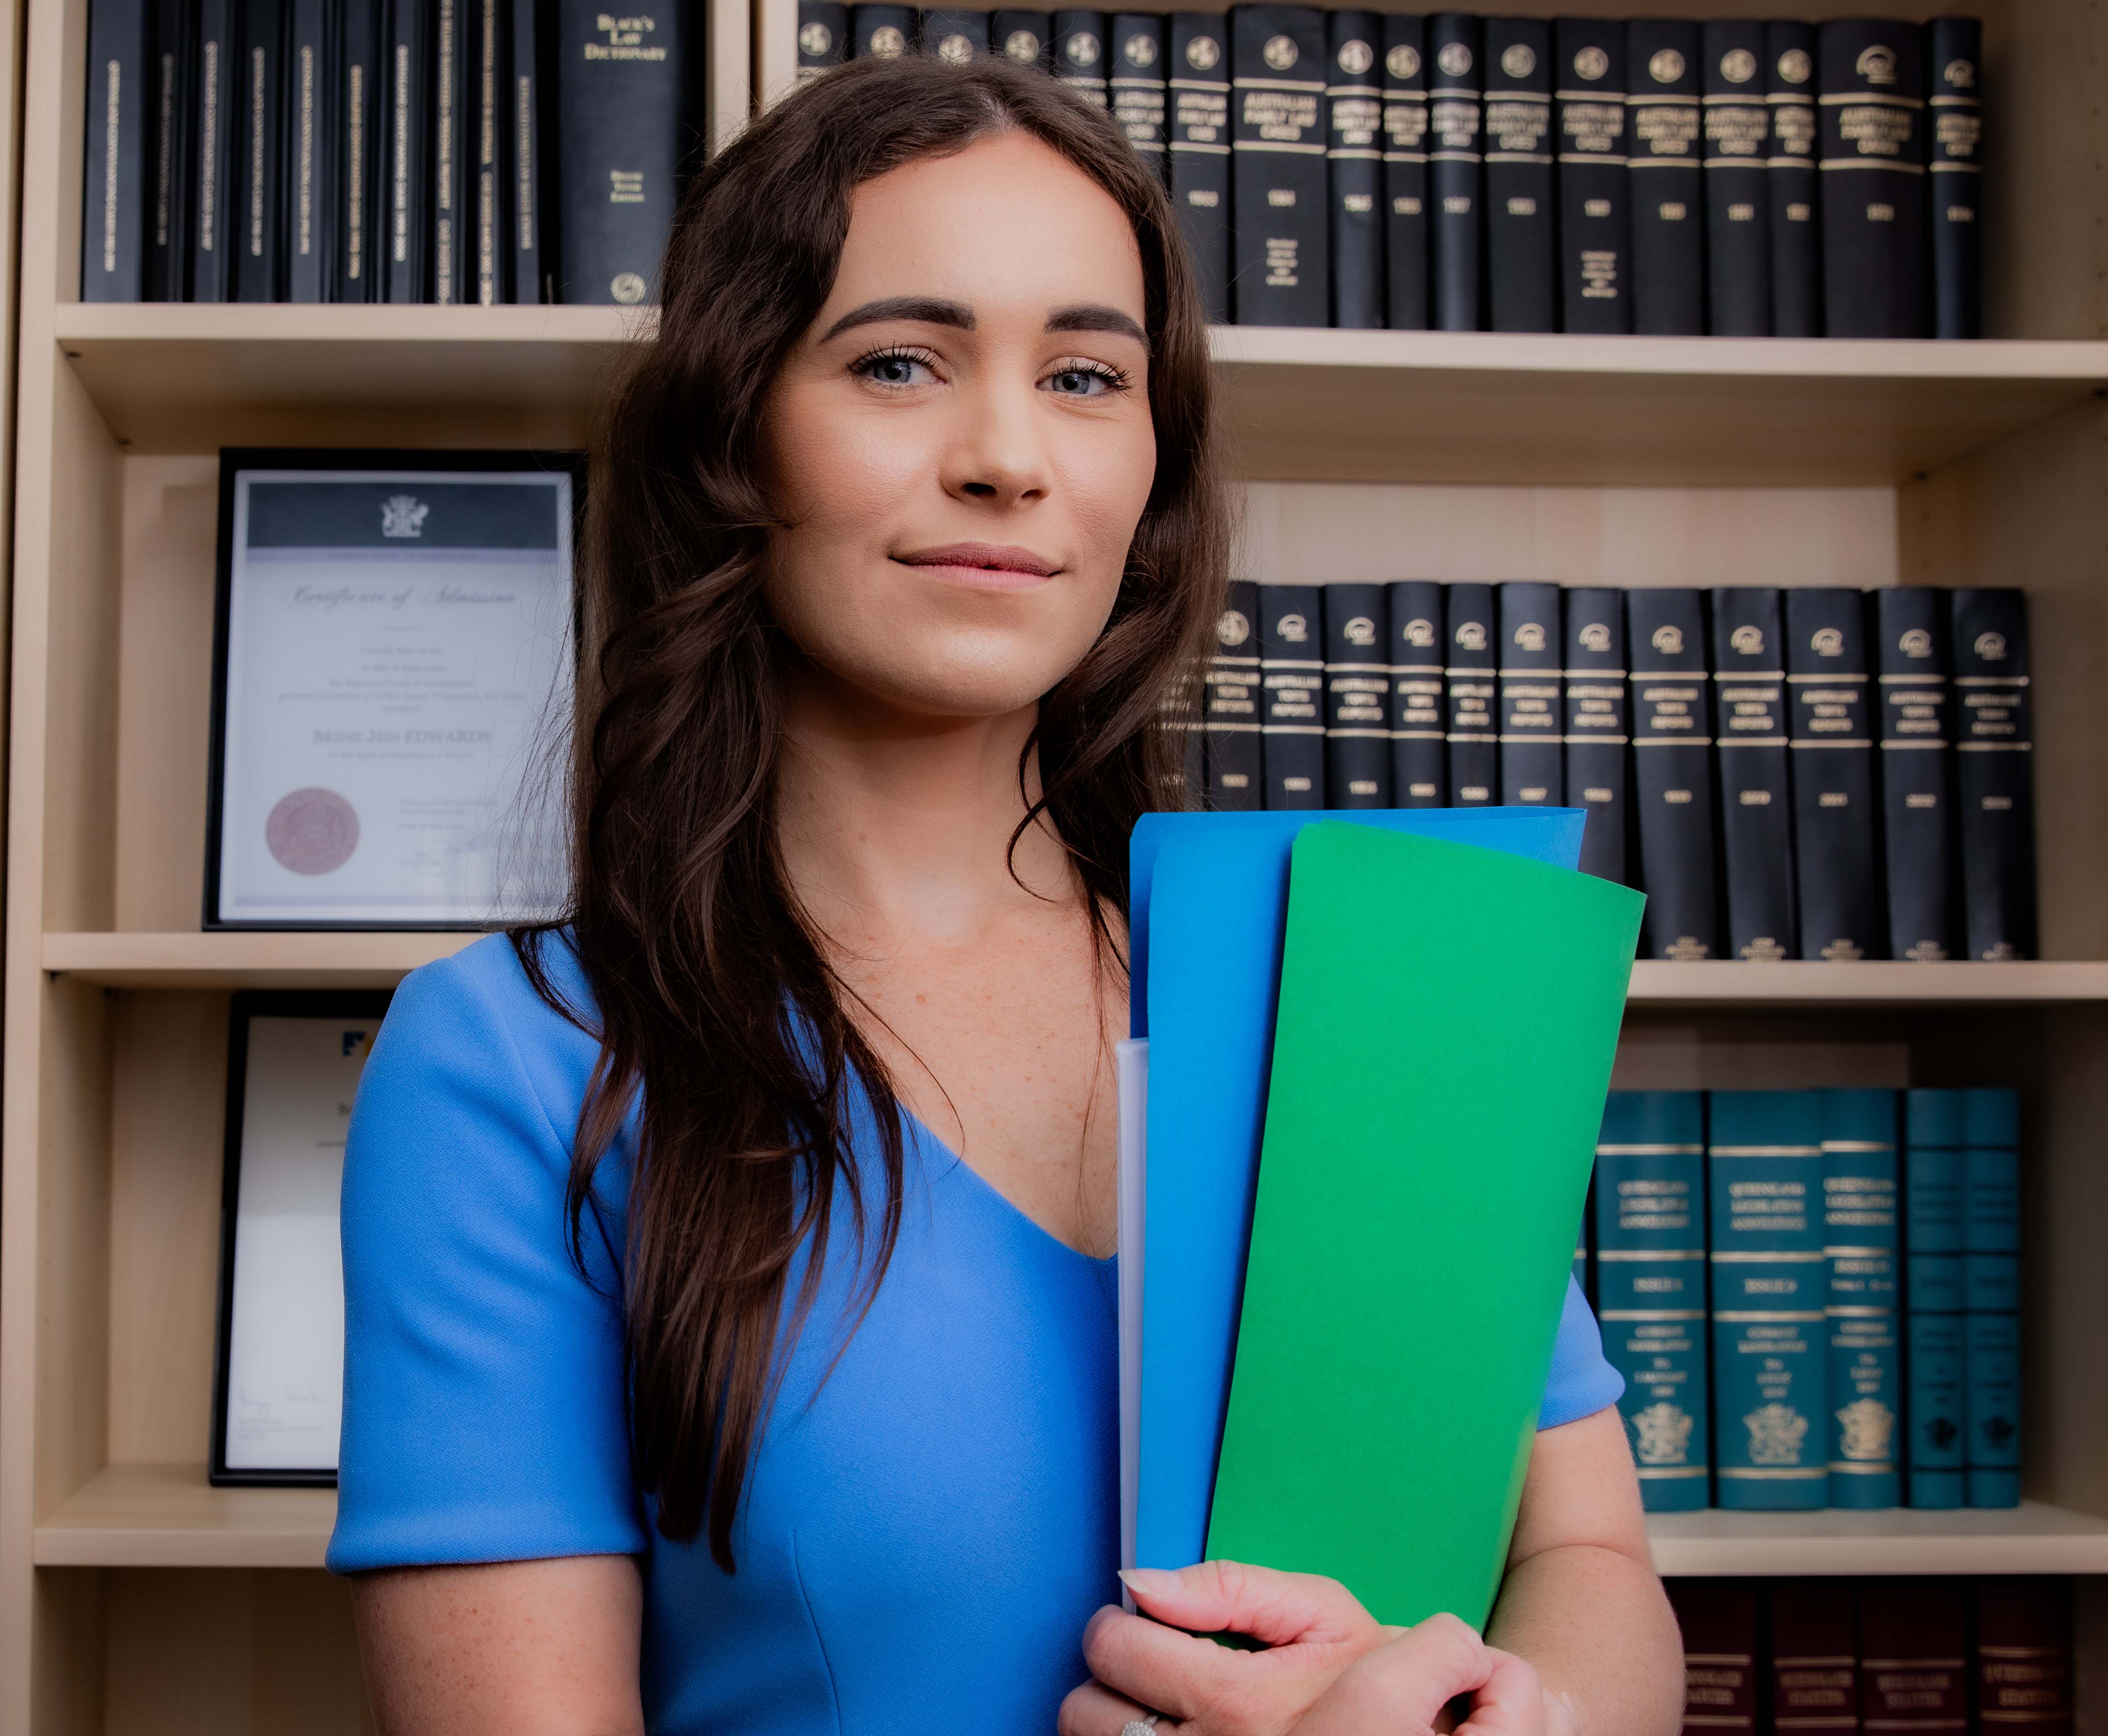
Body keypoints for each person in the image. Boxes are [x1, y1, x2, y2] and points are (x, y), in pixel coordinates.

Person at [329, 51, 1682, 1736]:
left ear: (1152, 475)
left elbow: (1591, 1563)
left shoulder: (1357, 980)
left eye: (1089, 377)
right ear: (730, 438)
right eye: (900, 362)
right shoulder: (517, 1060)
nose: (1008, 458)